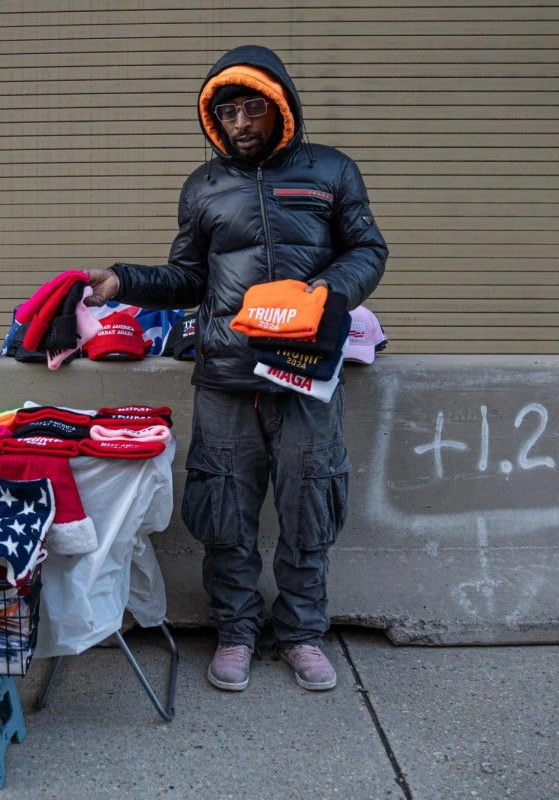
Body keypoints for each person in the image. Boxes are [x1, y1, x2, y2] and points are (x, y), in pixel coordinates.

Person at [85, 45, 388, 692]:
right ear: (214, 121)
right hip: (226, 374)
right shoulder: (203, 187)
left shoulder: (331, 171)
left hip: (307, 372)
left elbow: (368, 247)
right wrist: (124, 280)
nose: (241, 122)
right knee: (224, 510)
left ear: (279, 107)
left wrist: (327, 294)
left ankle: (303, 633)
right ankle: (236, 631)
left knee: (309, 506)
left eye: (253, 107)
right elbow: (189, 275)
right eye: (228, 112)